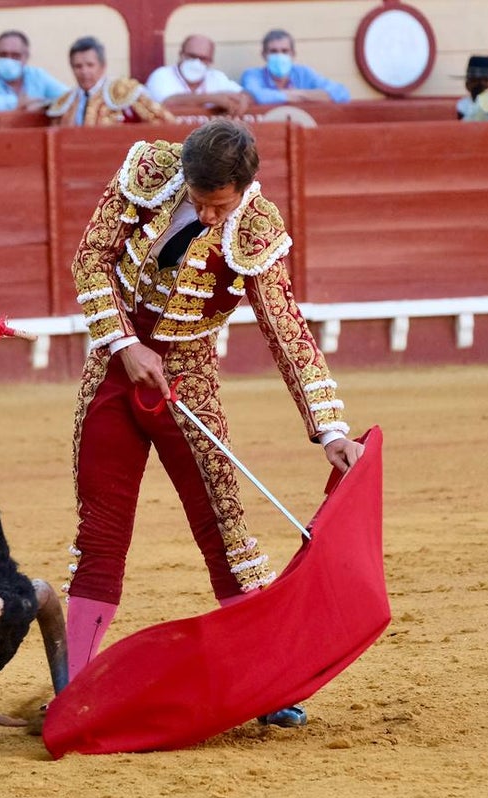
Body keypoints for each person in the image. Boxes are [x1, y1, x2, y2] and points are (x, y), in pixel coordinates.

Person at [64, 118, 363, 728]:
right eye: (196, 200)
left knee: (225, 529)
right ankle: (72, 687)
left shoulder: (256, 228)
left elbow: (286, 331)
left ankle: (266, 684)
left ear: (245, 188)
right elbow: (89, 260)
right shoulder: (149, 168)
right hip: (113, 371)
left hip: (188, 378)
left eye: (216, 205)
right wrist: (122, 344)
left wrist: (330, 429)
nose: (204, 214)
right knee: (100, 533)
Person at [47, 36, 173, 127]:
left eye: (90, 65)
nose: (84, 71)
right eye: (78, 66)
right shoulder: (65, 102)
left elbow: (163, 122)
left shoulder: (125, 91)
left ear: (103, 66)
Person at [145, 34, 250, 116]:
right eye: (192, 56)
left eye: (203, 58)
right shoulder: (162, 75)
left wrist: (243, 99)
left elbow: (244, 94)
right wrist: (213, 98)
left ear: (210, 61)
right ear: (181, 54)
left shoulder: (216, 77)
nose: (196, 62)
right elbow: (167, 102)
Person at [240, 29, 350, 105]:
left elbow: (341, 92)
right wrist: (288, 96)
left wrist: (300, 93)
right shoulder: (252, 74)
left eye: (285, 51)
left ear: (293, 54)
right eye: (273, 51)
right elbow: (253, 95)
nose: (279, 55)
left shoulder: (304, 73)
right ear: (264, 54)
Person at [0, 30, 67, 113]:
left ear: (26, 56)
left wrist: (43, 106)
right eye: (3, 55)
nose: (8, 60)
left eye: (15, 55)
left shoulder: (37, 75)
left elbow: (68, 97)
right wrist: (20, 103)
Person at [456, 55, 488, 119]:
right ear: (467, 83)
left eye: (485, 80)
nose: (480, 84)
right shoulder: (462, 105)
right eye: (474, 80)